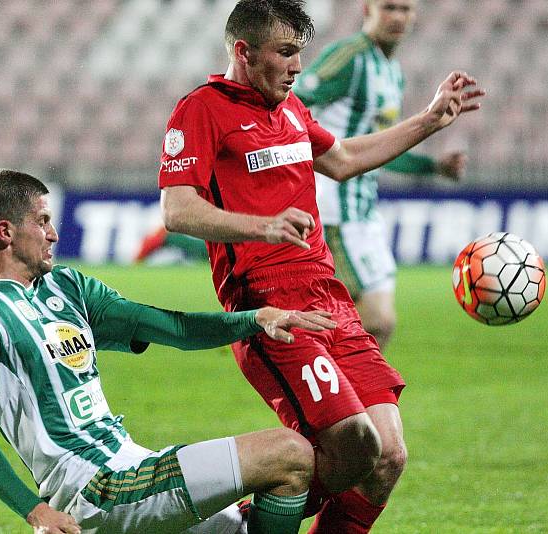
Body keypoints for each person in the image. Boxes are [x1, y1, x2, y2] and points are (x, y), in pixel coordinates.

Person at [157, 1, 484, 532]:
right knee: (355, 443)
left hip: (329, 297)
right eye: (285, 53)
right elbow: (177, 210)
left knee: (388, 457)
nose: (297, 67)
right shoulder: (202, 109)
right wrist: (260, 225)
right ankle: (237, 524)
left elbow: (345, 160)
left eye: (299, 54)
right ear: (244, 51)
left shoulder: (289, 110)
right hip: (269, 306)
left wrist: (429, 120)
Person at [0, 169, 340, 534]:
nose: (54, 233)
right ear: (6, 232)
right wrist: (37, 512)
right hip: (92, 490)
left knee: (245, 524)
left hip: (132, 466)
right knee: (290, 453)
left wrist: (255, 319)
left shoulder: (68, 288)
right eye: (42, 222)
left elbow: (172, 328)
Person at [293, 0, 467, 351]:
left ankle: (344, 401)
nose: (398, 17)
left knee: (372, 328)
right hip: (331, 211)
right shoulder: (351, 57)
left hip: (364, 214)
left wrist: (432, 167)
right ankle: (328, 398)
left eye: (405, 9)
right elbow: (291, 100)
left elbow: (382, 151)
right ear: (367, 9)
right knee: (375, 320)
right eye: (389, 7)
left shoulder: (392, 72)